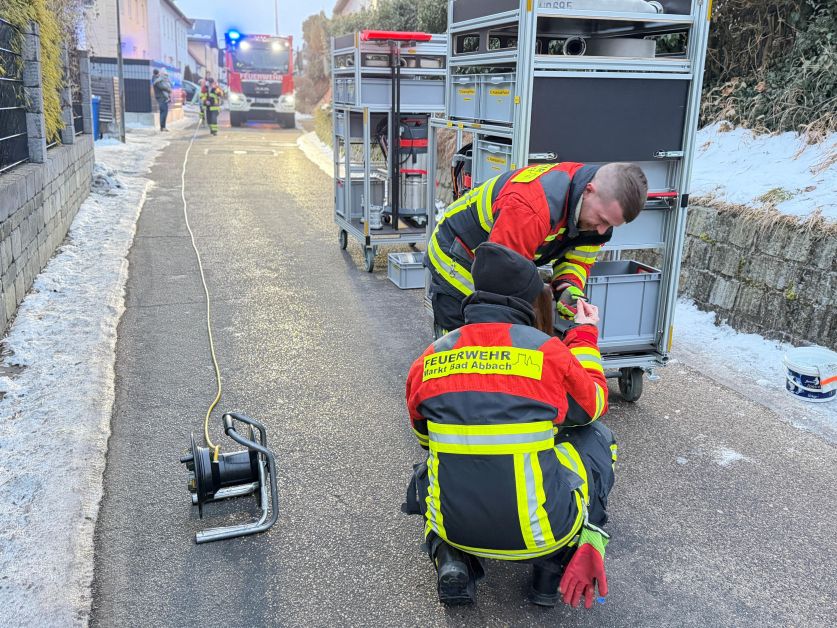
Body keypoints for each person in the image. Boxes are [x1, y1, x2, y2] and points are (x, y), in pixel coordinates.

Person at [404, 242, 617, 608]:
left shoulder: (430, 358)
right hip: (543, 533)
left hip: (454, 528)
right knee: (597, 438)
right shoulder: (546, 352)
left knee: (430, 468)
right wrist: (584, 333)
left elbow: (424, 437)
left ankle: (451, 558)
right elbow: (593, 405)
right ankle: (552, 567)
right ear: (527, 300)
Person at [427, 161, 648, 335]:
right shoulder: (530, 207)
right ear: (589, 190)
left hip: (497, 257)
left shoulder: (591, 211)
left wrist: (568, 290)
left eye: (610, 225)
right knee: (463, 338)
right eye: (602, 220)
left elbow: (577, 261)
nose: (601, 230)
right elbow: (501, 285)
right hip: (457, 255)